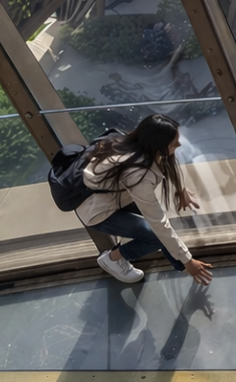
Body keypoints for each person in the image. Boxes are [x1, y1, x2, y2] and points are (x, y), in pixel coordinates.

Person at [79, 114, 214, 285]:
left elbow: (168, 161)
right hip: (99, 211)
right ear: (158, 146)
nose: (179, 145)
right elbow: (159, 224)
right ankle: (112, 259)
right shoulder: (139, 175)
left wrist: (181, 190)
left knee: (159, 229)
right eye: (174, 143)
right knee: (156, 236)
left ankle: (179, 265)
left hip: (113, 197)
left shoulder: (136, 144)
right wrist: (188, 261)